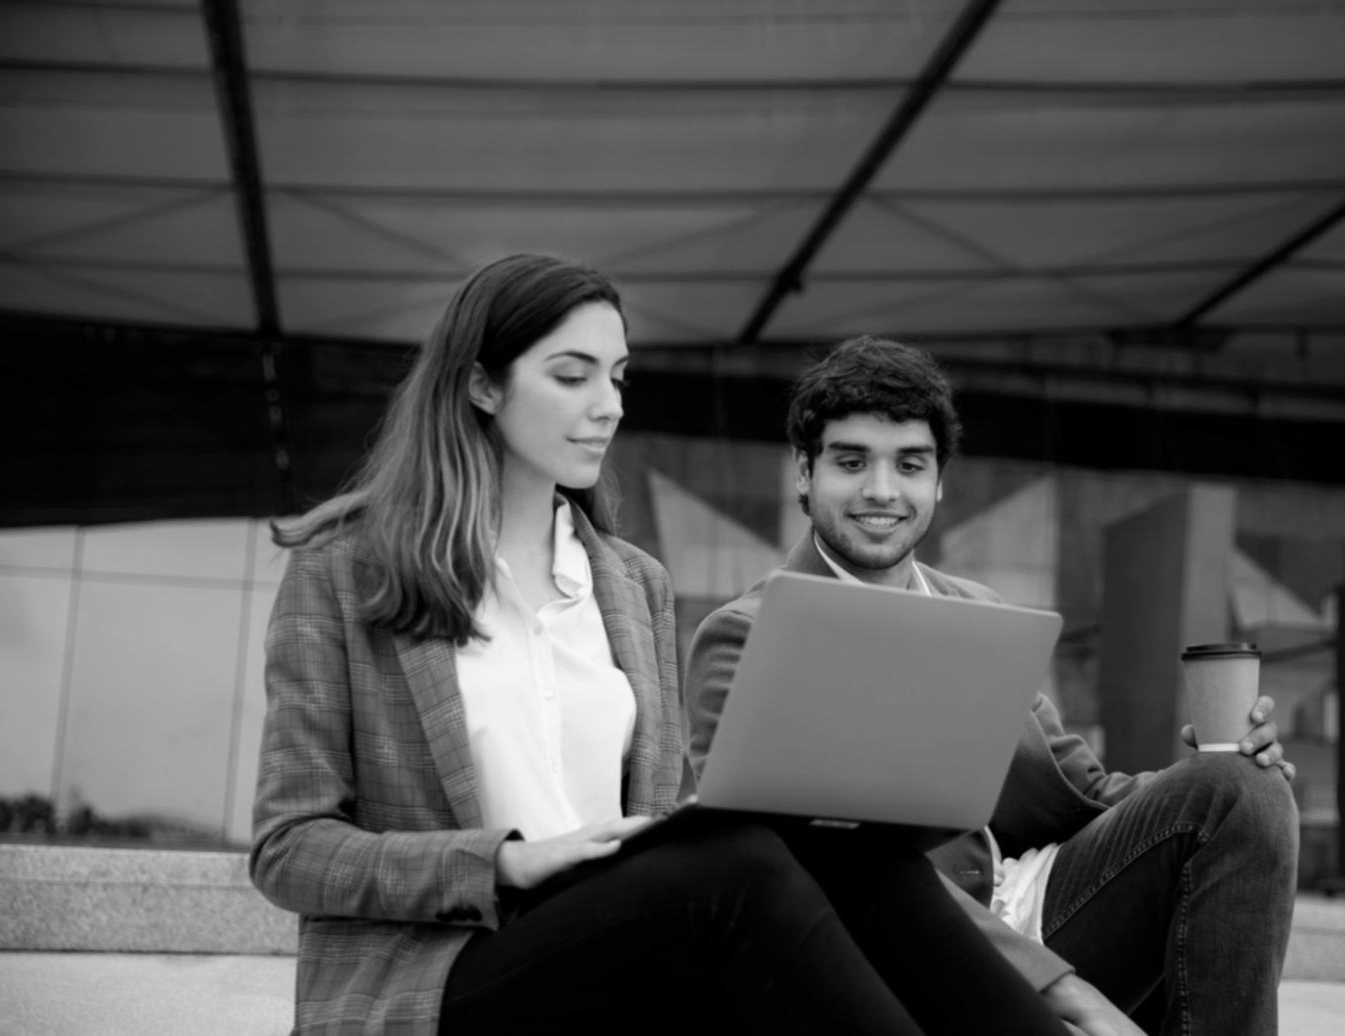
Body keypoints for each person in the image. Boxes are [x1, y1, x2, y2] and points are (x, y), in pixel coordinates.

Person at [250, 255, 1073, 1035]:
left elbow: (653, 809)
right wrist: (504, 863)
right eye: (572, 376)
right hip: (443, 974)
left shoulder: (630, 582)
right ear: (480, 386)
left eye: (617, 377)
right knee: (740, 869)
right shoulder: (345, 570)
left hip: (621, 940)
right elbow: (291, 849)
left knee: (844, 847)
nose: (607, 404)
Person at [685, 335, 1301, 1036]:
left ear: (939, 481)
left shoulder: (980, 611)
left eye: (910, 465)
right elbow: (786, 870)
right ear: (804, 473)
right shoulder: (747, 633)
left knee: (1245, 790)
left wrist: (1210, 771)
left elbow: (1084, 798)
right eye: (851, 462)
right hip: (887, 956)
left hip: (1034, 910)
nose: (882, 490)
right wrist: (1060, 989)